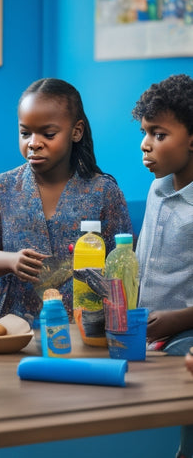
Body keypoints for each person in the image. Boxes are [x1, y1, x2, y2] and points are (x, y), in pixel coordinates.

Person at [0, 78, 132, 324]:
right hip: (14, 330)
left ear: (76, 131)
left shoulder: (104, 192)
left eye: (48, 134)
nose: (34, 143)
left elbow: (124, 266)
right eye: (25, 133)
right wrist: (10, 261)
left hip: (88, 329)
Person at [132, 73, 193, 458]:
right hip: (145, 327)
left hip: (183, 335)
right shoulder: (157, 188)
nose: (145, 144)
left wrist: (176, 320)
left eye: (158, 134)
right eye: (144, 132)